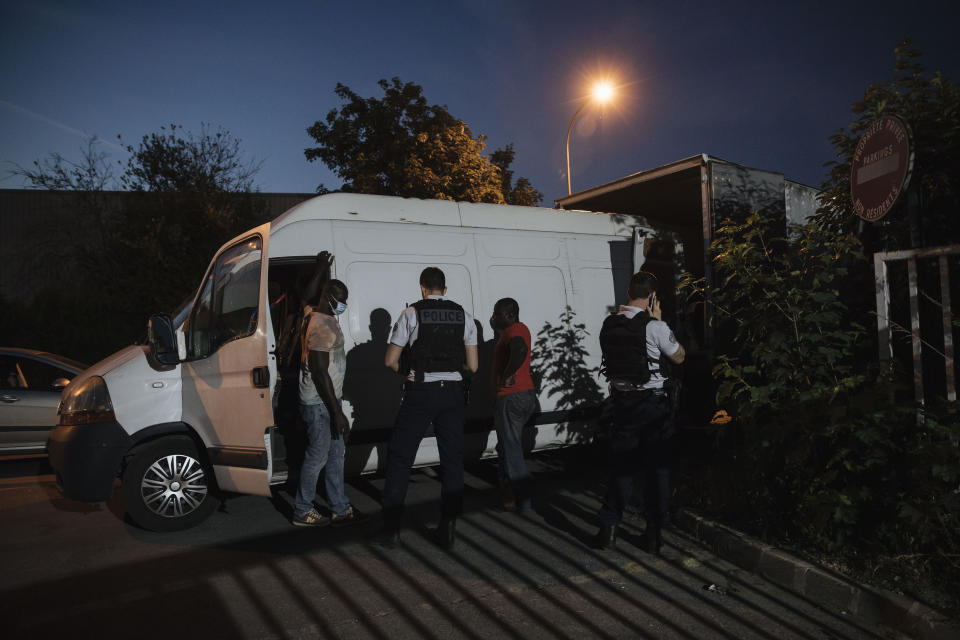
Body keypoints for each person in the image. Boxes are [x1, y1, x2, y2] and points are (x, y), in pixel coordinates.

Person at [375, 267, 479, 549]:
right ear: (444, 289)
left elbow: (390, 361)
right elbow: (473, 366)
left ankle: (391, 530)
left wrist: (406, 370)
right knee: (452, 460)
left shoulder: (411, 313)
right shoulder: (464, 315)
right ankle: (448, 528)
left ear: (423, 288)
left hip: (420, 392)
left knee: (400, 457)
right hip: (454, 393)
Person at [593, 271, 685, 553]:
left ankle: (608, 529)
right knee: (657, 470)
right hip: (653, 404)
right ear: (652, 296)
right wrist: (658, 320)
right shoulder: (654, 327)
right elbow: (679, 356)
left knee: (622, 467)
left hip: (623, 404)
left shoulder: (608, 324)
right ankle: (654, 534)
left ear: (628, 291)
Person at [293, 278, 362, 527]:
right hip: (320, 402)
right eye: (340, 299)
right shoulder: (321, 325)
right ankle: (302, 510)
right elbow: (320, 372)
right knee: (318, 456)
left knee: (335, 455)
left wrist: (321, 267)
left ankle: (339, 507)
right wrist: (337, 413)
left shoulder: (315, 314)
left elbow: (306, 296)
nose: (344, 303)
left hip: (328, 400)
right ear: (329, 296)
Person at [489, 297, 537, 513]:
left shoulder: (515, 331)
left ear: (509, 315)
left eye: (497, 314)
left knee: (512, 450)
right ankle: (508, 496)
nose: (494, 317)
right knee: (507, 447)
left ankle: (524, 500)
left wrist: (508, 374)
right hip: (520, 395)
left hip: (512, 396)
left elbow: (519, 350)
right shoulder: (515, 329)